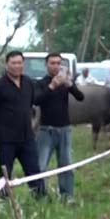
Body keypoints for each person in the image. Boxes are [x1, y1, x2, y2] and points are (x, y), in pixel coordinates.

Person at [0, 51, 46, 197]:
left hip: (27, 137)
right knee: (5, 173)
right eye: (13, 63)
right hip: (6, 139)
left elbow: (31, 104)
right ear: (7, 65)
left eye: (20, 63)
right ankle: (4, 202)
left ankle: (41, 199)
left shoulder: (28, 83)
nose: (17, 66)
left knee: (34, 171)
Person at [34, 52, 85, 201]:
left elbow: (80, 97)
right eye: (52, 63)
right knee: (41, 166)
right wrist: (52, 86)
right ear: (46, 65)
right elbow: (37, 100)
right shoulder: (41, 83)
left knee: (66, 165)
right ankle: (40, 195)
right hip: (46, 130)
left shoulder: (65, 83)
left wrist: (70, 85)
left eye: (58, 63)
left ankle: (67, 196)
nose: (56, 66)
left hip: (65, 129)